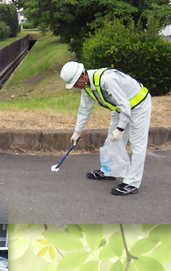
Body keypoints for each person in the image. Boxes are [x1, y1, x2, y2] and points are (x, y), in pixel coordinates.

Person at [60, 61, 152, 195]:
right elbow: (84, 110)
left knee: (137, 144)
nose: (74, 87)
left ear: (82, 77)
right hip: (121, 109)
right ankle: (110, 171)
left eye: (74, 83)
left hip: (139, 106)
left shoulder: (108, 80)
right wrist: (77, 132)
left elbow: (125, 104)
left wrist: (120, 129)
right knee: (112, 139)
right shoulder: (87, 87)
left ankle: (132, 183)